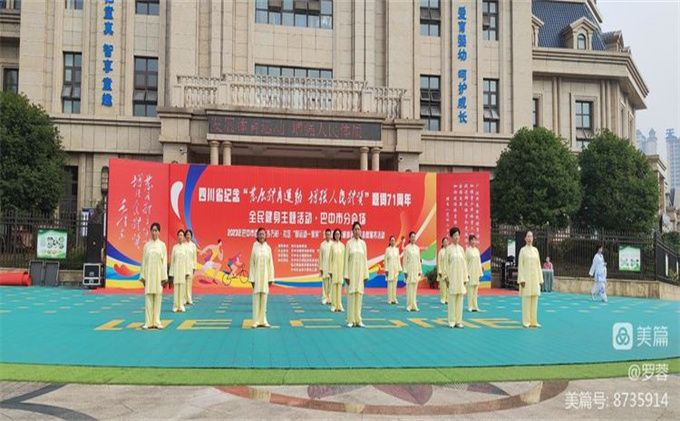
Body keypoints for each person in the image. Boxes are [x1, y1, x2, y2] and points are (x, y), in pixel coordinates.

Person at [139, 222, 168, 329]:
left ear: (159, 232)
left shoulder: (162, 245)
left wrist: (164, 278)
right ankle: (148, 322)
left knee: (158, 298)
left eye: (156, 230)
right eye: (153, 230)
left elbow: (164, 262)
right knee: (148, 298)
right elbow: (143, 262)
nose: (154, 232)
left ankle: (156, 321)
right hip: (149, 275)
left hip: (159, 275)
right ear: (150, 231)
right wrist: (143, 276)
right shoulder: (147, 246)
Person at [344, 222, 369, 327]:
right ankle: (350, 320)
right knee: (351, 296)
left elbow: (365, 260)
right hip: (351, 273)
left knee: (359, 295)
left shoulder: (363, 244)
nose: (357, 231)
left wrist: (366, 275)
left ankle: (358, 320)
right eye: (355, 229)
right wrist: (346, 275)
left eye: (359, 229)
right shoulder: (349, 243)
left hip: (360, 274)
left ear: (361, 231)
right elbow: (346, 260)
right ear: (352, 231)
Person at [249, 228, 275, 328]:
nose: (261, 236)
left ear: (266, 236)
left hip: (265, 277)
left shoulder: (268, 248)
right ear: (257, 235)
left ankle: (263, 320)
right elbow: (252, 264)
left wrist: (271, 278)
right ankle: (255, 321)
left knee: (264, 298)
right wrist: (252, 278)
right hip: (256, 276)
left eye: (263, 234)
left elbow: (270, 264)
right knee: (256, 299)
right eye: (260, 234)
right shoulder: (254, 247)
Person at [518, 231, 543, 328]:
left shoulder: (536, 250)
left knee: (534, 300)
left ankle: (534, 321)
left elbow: (538, 265)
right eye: (528, 236)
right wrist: (521, 279)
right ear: (525, 238)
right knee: (526, 300)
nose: (529, 238)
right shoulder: (522, 250)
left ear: (533, 238)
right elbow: (520, 266)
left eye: (531, 236)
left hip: (535, 278)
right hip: (526, 279)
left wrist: (540, 279)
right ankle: (526, 321)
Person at [445, 227, 468, 328]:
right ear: (451, 237)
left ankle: (459, 321)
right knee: (452, 299)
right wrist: (446, 277)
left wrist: (465, 278)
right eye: (455, 235)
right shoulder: (448, 249)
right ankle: (451, 321)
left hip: (460, 278)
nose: (457, 237)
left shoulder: (461, 249)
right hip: (452, 277)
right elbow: (445, 265)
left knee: (460, 299)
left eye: (458, 235)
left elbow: (464, 265)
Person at [169, 230, 190, 313]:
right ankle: (175, 306)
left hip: (183, 271)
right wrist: (171, 273)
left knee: (182, 288)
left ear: (183, 237)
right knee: (176, 289)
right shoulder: (174, 248)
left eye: (182, 235)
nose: (180, 237)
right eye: (179, 235)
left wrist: (187, 272)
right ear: (177, 237)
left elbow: (187, 261)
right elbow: (172, 261)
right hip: (176, 270)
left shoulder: (185, 248)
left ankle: (181, 305)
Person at [403, 231, 422, 312]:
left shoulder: (417, 248)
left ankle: (414, 305)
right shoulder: (406, 248)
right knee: (409, 288)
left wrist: (420, 270)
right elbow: (404, 260)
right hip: (409, 270)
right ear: (409, 238)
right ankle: (409, 305)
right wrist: (405, 271)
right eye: (412, 237)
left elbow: (418, 260)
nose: (413, 238)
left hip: (416, 269)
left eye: (414, 237)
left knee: (415, 288)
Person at [328, 228, 346, 312]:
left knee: (340, 287)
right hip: (334, 269)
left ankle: (339, 305)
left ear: (340, 235)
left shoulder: (343, 246)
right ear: (334, 235)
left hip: (341, 269)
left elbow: (344, 259)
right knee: (334, 286)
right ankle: (333, 305)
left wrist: (345, 270)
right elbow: (330, 259)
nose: (337, 236)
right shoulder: (332, 246)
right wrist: (330, 271)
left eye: (339, 234)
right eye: (336, 234)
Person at [466, 234, 483, 312]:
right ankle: (470, 306)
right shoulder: (467, 250)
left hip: (476, 272)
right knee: (470, 290)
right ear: (469, 241)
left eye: (474, 240)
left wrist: (480, 273)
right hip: (470, 272)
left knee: (475, 291)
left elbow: (479, 262)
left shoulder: (477, 250)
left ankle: (475, 306)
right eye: (472, 240)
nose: (473, 241)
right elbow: (465, 263)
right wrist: (466, 274)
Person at [384, 235, 402, 304]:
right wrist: (386, 269)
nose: (393, 242)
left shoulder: (397, 249)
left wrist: (399, 269)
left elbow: (398, 259)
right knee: (390, 284)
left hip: (395, 269)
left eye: (394, 240)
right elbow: (385, 260)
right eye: (391, 240)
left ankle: (394, 298)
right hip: (389, 269)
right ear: (389, 241)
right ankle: (389, 299)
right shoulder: (387, 249)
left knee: (395, 284)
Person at [318, 229, 333, 305]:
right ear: (325, 235)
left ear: (331, 235)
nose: (328, 236)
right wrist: (320, 268)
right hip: (324, 266)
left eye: (329, 234)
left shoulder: (333, 244)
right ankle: (324, 298)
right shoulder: (322, 245)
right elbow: (320, 257)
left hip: (331, 267)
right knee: (325, 284)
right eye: (326, 234)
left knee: (330, 284)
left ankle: (330, 298)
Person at [184, 229, 198, 305]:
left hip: (190, 266)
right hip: (183, 266)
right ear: (185, 236)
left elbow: (194, 257)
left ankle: (189, 299)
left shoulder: (193, 245)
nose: (188, 236)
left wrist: (194, 267)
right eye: (187, 235)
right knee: (184, 283)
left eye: (189, 235)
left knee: (189, 283)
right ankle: (184, 299)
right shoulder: (183, 245)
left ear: (191, 236)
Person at [437, 237, 449, 304]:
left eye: (447, 241)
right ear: (442, 243)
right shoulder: (441, 252)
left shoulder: (450, 251)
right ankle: (443, 298)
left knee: (448, 286)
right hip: (442, 271)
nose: (446, 243)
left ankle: (447, 299)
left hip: (448, 271)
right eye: (444, 242)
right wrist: (439, 271)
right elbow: (439, 262)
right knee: (443, 286)